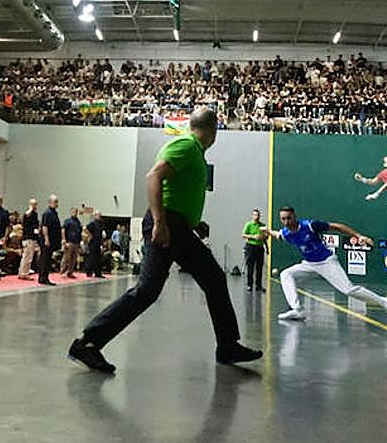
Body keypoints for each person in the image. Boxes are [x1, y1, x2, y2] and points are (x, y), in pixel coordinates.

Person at [69, 107, 261, 373]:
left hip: (180, 227)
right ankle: (87, 343)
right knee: (147, 290)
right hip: (167, 226)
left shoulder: (194, 151)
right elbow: (153, 177)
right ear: (213, 131)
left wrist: (195, 223)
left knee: (214, 279)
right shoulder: (187, 145)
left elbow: (176, 191)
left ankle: (228, 346)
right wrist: (160, 222)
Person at [264, 205, 387, 322]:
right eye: (283, 219)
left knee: (348, 290)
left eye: (289, 218)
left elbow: (337, 227)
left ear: (294, 216)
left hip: (326, 262)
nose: (286, 221)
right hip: (309, 264)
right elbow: (277, 235)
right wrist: (266, 231)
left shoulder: (310, 225)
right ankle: (297, 310)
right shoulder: (286, 233)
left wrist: (359, 236)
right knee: (286, 274)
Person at [241, 209, 267, 292]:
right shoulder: (249, 225)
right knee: (250, 267)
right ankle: (249, 285)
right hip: (251, 247)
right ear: (252, 216)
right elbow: (243, 235)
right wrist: (253, 236)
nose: (256, 217)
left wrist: (267, 246)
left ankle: (258, 286)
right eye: (255, 215)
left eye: (258, 215)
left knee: (259, 267)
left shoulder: (262, 225)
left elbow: (266, 236)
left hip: (260, 248)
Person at [39, 194, 61, 286]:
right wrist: (46, 239)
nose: (57, 204)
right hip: (47, 240)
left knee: (47, 260)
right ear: (50, 202)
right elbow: (45, 226)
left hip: (52, 240)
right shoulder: (47, 213)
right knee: (45, 260)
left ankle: (44, 277)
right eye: (55, 202)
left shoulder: (54, 213)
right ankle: (43, 278)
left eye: (57, 202)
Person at [17, 198, 40, 279]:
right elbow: (26, 216)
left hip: (33, 238)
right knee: (27, 256)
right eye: (33, 204)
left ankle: (23, 271)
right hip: (28, 238)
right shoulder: (27, 213)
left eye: (35, 205)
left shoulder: (35, 214)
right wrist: (30, 208)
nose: (35, 206)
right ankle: (24, 273)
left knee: (28, 256)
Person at [61, 207, 82, 278]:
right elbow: (63, 230)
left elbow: (80, 232)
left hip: (76, 242)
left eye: (76, 212)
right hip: (69, 242)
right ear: (71, 212)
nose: (75, 213)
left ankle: (70, 272)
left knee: (73, 259)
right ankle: (62, 271)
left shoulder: (78, 222)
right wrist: (64, 240)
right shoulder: (67, 221)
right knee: (66, 258)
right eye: (73, 211)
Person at [85, 210, 105, 278]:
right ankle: (89, 272)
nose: (100, 216)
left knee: (98, 259)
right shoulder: (92, 223)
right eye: (99, 215)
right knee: (91, 258)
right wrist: (89, 236)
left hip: (98, 242)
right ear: (95, 215)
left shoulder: (101, 223)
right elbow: (86, 228)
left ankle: (98, 273)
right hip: (93, 242)